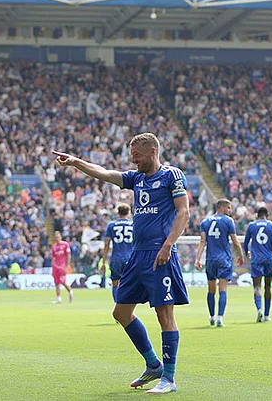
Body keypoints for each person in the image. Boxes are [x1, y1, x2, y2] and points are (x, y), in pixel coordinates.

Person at [54, 133, 189, 394]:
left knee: (164, 314)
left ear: (152, 152)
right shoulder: (136, 179)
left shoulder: (172, 175)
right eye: (131, 156)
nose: (133, 160)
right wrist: (75, 162)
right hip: (136, 255)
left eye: (137, 155)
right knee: (121, 313)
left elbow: (184, 212)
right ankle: (153, 364)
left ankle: (169, 379)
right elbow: (103, 173)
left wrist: (168, 245)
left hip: (159, 253)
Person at [194, 199, 245, 327]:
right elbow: (235, 241)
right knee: (223, 289)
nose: (230, 211)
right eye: (228, 208)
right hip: (224, 260)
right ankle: (220, 318)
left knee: (211, 290)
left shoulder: (205, 221)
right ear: (221, 208)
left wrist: (197, 259)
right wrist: (241, 255)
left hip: (210, 260)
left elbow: (202, 242)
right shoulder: (228, 221)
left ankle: (211, 316)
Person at [243, 206, 272, 323]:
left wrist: (247, 252)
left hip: (256, 260)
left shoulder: (252, 226)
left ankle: (259, 309)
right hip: (269, 259)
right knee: (268, 286)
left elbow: (246, 242)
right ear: (267, 215)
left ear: (257, 215)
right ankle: (267, 315)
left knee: (257, 287)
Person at [102, 203, 134, 302]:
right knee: (130, 283)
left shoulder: (111, 225)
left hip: (116, 258)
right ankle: (127, 305)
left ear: (118, 213)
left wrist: (103, 261)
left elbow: (107, 244)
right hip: (130, 257)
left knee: (115, 283)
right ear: (128, 213)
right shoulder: (134, 225)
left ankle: (117, 305)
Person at [51, 231, 74, 304]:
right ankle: (59, 298)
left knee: (63, 282)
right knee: (56, 283)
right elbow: (53, 257)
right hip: (56, 267)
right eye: (56, 236)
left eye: (58, 236)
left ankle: (70, 291)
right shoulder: (54, 246)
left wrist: (67, 266)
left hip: (62, 266)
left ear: (60, 237)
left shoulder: (65, 245)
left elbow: (68, 255)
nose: (57, 238)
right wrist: (53, 267)